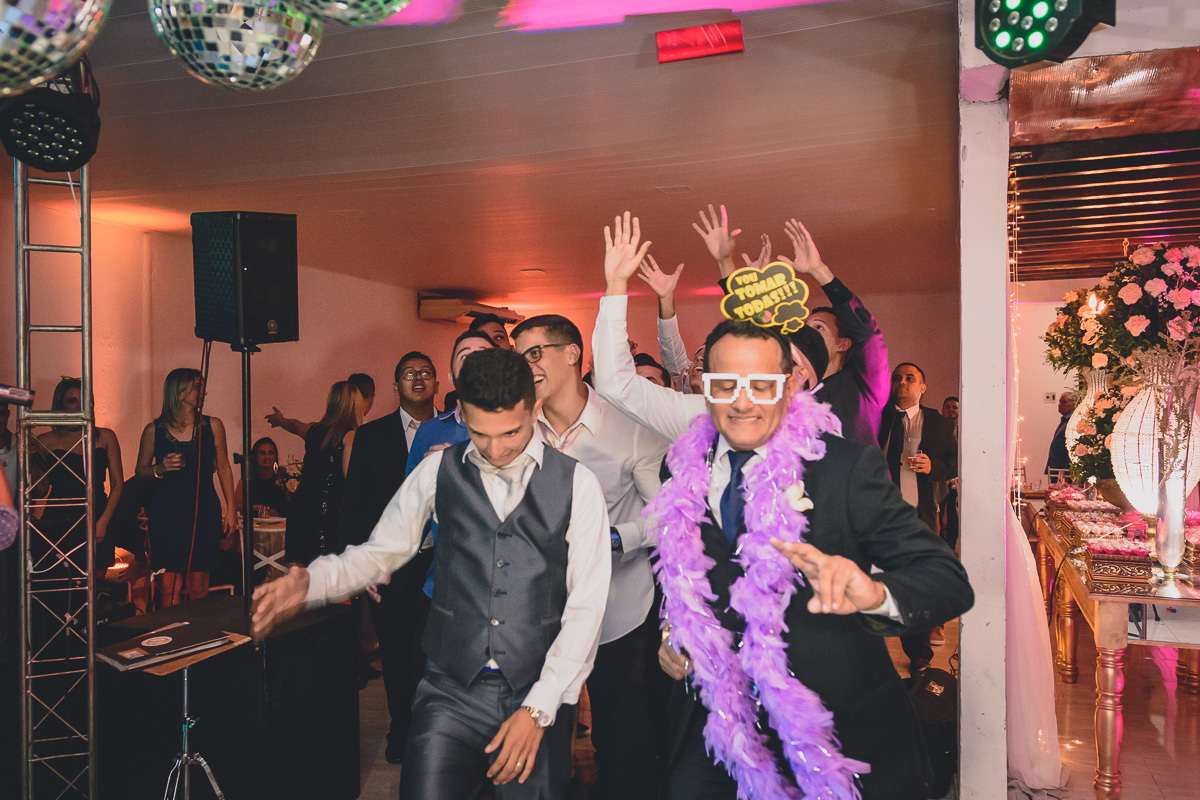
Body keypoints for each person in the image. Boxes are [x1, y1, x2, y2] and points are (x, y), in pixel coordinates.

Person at [251, 348, 612, 800]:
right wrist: (313, 582)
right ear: (461, 413)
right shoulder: (438, 470)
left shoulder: (578, 485)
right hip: (449, 692)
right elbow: (381, 552)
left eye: (511, 433)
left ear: (533, 406)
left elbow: (586, 608)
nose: (496, 450)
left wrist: (539, 709)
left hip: (537, 690)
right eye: (480, 435)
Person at [652, 319, 973, 800]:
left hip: (832, 731)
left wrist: (875, 594)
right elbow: (683, 571)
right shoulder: (679, 468)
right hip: (720, 730)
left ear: (789, 387)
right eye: (725, 385)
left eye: (761, 385)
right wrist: (673, 634)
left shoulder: (844, 468)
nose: (742, 402)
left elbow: (947, 578)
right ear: (705, 388)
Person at [511, 314, 670, 800]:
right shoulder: (515, 429)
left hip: (618, 612)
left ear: (573, 353)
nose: (526, 365)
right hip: (539, 616)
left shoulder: (630, 427)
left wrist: (616, 538)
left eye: (535, 352)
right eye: (520, 357)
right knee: (541, 736)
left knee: (622, 738)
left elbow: (668, 515)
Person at [593, 212, 827, 443]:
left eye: (771, 361)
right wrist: (616, 285)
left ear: (798, 377)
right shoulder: (705, 415)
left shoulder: (835, 453)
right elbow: (617, 385)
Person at [340, 351, 442, 764]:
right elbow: (354, 506)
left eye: (425, 373)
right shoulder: (371, 436)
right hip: (392, 566)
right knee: (398, 655)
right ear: (396, 384)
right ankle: (402, 730)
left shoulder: (459, 428)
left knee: (435, 656)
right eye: (408, 374)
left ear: (436, 382)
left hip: (443, 564)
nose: (417, 379)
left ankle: (436, 735)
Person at [135, 368, 238, 606]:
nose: (203, 392)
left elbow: (223, 466)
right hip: (165, 511)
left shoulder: (213, 426)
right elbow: (140, 471)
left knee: (199, 581)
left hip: (203, 509)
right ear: (179, 393)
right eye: (197, 387)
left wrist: (230, 509)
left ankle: (196, 634)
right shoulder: (154, 430)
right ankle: (170, 636)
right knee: (169, 584)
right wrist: (160, 468)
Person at [879, 362, 959, 666]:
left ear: (922, 388)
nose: (902, 382)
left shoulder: (937, 422)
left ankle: (920, 656)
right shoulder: (879, 416)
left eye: (910, 378)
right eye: (897, 378)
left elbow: (952, 461)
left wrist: (932, 468)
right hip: (878, 514)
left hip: (916, 513)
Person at [34, 379, 125, 572]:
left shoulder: (105, 436)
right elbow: (40, 490)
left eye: (84, 400)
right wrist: (30, 458)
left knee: (95, 585)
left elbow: (118, 484)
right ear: (60, 405)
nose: (79, 406)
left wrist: (103, 521)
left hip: (98, 513)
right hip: (59, 518)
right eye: (72, 401)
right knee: (61, 583)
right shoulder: (44, 441)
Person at [285, 381, 364, 564]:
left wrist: (280, 420)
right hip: (328, 514)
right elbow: (351, 482)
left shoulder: (313, 430)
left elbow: (295, 425)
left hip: (301, 506)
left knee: (301, 574)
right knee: (332, 579)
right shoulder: (350, 436)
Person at [265, 372, 376, 439]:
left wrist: (280, 420)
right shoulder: (367, 433)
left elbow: (296, 426)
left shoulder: (318, 430)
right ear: (372, 398)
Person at [233, 437, 289, 518]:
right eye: (262, 453)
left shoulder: (283, 478)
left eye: (271, 453)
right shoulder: (247, 479)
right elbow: (235, 507)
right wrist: (261, 508)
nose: (267, 457)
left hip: (280, 527)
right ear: (255, 456)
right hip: (254, 527)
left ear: (275, 456)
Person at [1045, 392, 1076, 476]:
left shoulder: (1073, 422)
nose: (1060, 405)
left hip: (1062, 470)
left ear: (1074, 405)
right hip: (1056, 468)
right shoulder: (1065, 421)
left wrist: (1066, 472)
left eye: (1064, 402)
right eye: (1060, 402)